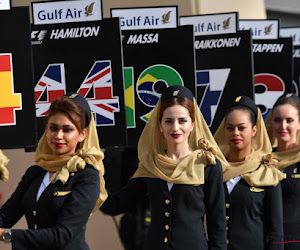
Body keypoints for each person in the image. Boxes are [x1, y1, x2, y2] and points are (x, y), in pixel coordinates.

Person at [101, 85, 228, 250]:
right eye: (168, 121)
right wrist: (95, 170)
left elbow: (217, 223)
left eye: (182, 120)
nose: (175, 127)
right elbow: (115, 205)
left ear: (192, 124)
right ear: (159, 125)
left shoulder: (207, 165)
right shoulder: (151, 165)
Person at [0, 93, 107, 249]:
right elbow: (7, 215)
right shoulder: (35, 172)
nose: (58, 136)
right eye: (53, 128)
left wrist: (6, 234)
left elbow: (62, 234)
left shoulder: (87, 176)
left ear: (82, 134)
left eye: (67, 130)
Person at [214, 96, 285, 250]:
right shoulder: (213, 170)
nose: (235, 133)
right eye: (230, 128)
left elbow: (275, 231)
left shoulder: (266, 171)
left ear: (254, 130)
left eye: (241, 127)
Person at [268, 94, 300, 249]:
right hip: (268, 242)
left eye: (289, 120)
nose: (282, 126)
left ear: (299, 123)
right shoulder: (263, 160)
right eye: (277, 120)